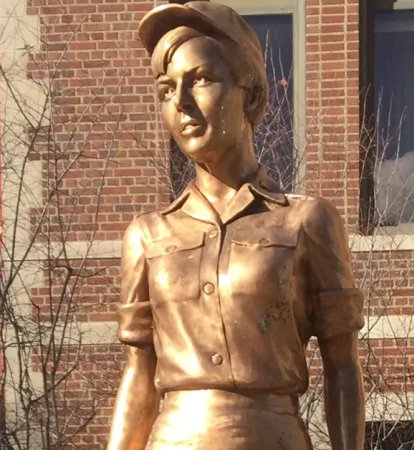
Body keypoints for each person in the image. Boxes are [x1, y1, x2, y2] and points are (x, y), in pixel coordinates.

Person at [107, 2, 364, 449]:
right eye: (166, 89)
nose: (181, 103)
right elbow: (139, 375)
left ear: (250, 93)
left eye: (200, 79)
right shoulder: (148, 235)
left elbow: (342, 365)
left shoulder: (306, 221)